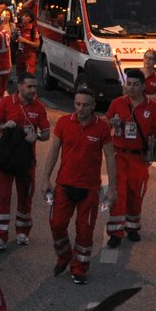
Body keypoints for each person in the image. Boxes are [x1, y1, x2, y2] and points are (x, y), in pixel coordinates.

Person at [38, 87, 116, 284]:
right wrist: (45, 179)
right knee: (56, 224)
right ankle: (64, 255)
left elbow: (110, 158)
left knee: (85, 230)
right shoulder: (64, 123)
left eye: (86, 105)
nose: (81, 108)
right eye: (78, 104)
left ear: (93, 106)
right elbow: (54, 151)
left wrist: (112, 189)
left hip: (89, 189)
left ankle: (79, 268)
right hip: (64, 185)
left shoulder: (102, 127)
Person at [103, 70, 156, 245]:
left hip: (139, 159)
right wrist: (112, 123)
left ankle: (132, 227)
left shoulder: (152, 107)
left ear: (143, 86)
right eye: (128, 84)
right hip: (119, 156)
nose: (131, 88)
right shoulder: (117, 103)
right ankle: (116, 233)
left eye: (135, 84)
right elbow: (104, 124)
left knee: (136, 193)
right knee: (118, 192)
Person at [0, 73, 50, 248]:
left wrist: (36, 136)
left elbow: (46, 134)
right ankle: (0, 236)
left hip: (26, 161)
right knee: (2, 197)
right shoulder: (6, 103)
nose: (33, 90)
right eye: (30, 86)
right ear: (20, 87)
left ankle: (23, 233)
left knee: (25, 197)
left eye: (35, 87)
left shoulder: (39, 107)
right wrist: (3, 126)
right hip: (6, 160)